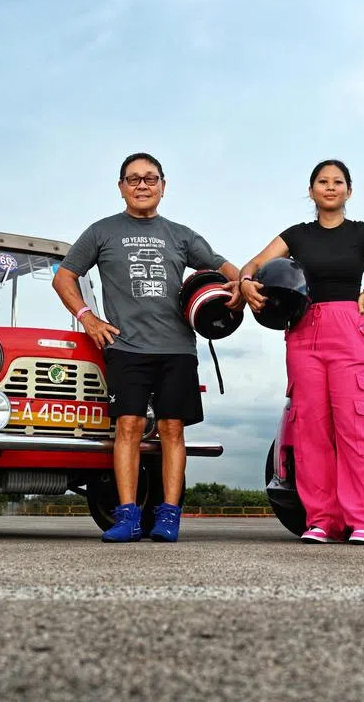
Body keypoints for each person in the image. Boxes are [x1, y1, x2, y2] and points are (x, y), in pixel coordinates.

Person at [53, 152, 243, 543]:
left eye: (150, 179)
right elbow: (65, 276)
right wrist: (88, 317)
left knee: (173, 429)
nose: (143, 185)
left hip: (177, 348)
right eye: (134, 179)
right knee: (129, 426)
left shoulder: (181, 235)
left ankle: (169, 516)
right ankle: (126, 516)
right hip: (126, 347)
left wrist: (240, 290)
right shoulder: (101, 231)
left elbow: (227, 268)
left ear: (163, 186)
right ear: (121, 187)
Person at [233, 159, 364, 544]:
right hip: (303, 332)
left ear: (349, 191)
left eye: (338, 182)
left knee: (354, 426)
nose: (330, 187)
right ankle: (322, 520)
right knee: (311, 429)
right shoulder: (296, 236)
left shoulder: (362, 234)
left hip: (347, 328)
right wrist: (247, 280)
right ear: (311, 190)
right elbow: (253, 262)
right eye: (323, 181)